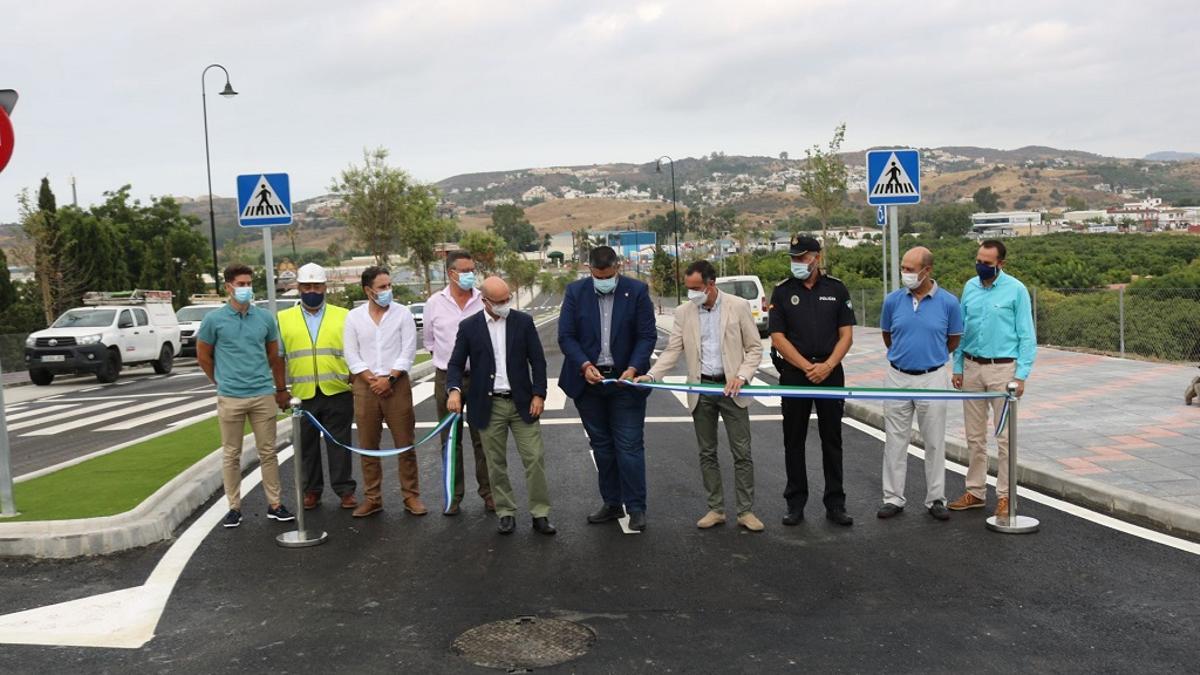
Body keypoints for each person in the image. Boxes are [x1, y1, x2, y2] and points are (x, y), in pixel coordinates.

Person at [639, 260, 765, 531]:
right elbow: (673, 350)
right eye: (688, 288)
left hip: (732, 389)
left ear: (711, 284)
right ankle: (716, 509)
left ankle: (745, 511)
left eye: (696, 288)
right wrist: (651, 376)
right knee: (707, 452)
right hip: (702, 389)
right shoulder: (684, 312)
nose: (691, 293)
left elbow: (755, 348)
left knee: (742, 452)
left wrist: (741, 376)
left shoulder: (738, 306)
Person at [558, 246, 657, 532]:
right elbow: (566, 336)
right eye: (598, 276)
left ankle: (636, 507)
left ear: (618, 267)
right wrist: (584, 364)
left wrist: (634, 367)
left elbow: (646, 335)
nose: (604, 281)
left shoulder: (636, 291)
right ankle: (612, 503)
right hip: (589, 384)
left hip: (625, 382)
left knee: (629, 446)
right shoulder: (575, 292)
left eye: (608, 276)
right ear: (589, 269)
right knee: (601, 447)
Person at [446, 276, 554, 535]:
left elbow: (538, 361)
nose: (506, 304)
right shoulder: (469, 327)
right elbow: (455, 364)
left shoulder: (523, 322)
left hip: (522, 403)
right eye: (500, 301)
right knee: (495, 462)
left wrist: (539, 394)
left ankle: (540, 513)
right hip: (488, 405)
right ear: (485, 301)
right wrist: (454, 391)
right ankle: (505, 512)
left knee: (534, 458)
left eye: (508, 299)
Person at [196, 264, 295, 529]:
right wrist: (220, 381)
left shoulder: (264, 318)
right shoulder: (214, 320)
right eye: (241, 284)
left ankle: (275, 504)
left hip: (262, 393)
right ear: (228, 286)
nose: (246, 288)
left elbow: (274, 354)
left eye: (249, 283)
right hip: (231, 396)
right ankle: (234, 507)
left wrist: (274, 384)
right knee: (231, 453)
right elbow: (203, 356)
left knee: (268, 451)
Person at [768, 235, 856, 527]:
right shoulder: (782, 291)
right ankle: (795, 503)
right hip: (796, 374)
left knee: (832, 440)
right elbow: (778, 338)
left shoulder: (836, 288)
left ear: (817, 257)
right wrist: (808, 367)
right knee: (793, 440)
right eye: (794, 257)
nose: (797, 262)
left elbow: (846, 335)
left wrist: (827, 366)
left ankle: (835, 503)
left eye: (802, 257)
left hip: (830, 373)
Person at [949, 240, 1037, 517]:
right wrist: (958, 366)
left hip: (1003, 370)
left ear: (1001, 264)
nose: (981, 266)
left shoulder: (1016, 290)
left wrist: (1021, 375)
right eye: (978, 261)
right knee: (974, 437)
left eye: (987, 263)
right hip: (972, 367)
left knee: (1005, 438)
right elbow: (961, 330)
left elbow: (1027, 336)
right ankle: (975, 491)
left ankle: (1005, 496)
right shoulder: (970, 287)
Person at [877, 247, 962, 522]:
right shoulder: (892, 301)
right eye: (903, 268)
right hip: (897, 376)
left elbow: (953, 339)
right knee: (894, 441)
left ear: (927, 271)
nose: (905, 274)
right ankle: (893, 498)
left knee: (934, 442)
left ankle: (936, 498)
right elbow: (888, 336)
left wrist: (932, 356)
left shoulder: (949, 302)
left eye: (910, 269)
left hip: (932, 377)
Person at [343, 266, 426, 518]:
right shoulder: (354, 318)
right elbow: (351, 354)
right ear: (368, 290)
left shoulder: (402, 314)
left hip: (396, 385)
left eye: (389, 285)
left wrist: (389, 379)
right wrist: (372, 380)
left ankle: (411, 496)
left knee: (405, 444)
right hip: (365, 386)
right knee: (368, 445)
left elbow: (408, 350)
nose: (387, 290)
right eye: (382, 287)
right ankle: (373, 498)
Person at [277, 263, 357, 511]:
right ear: (298, 288)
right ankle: (311, 491)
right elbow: (278, 356)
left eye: (317, 286)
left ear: (325, 287)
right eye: (307, 286)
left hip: (337, 390)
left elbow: (355, 350)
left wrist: (354, 377)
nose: (312, 291)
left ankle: (345, 490)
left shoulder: (344, 315)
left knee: (339, 444)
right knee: (306, 447)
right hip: (303, 395)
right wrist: (280, 390)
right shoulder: (283, 319)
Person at [423, 250, 493, 515]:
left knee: (483, 439)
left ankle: (489, 494)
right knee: (450, 440)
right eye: (465, 271)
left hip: (480, 378)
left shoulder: (482, 300)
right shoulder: (434, 303)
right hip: (446, 379)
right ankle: (454, 496)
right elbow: (429, 341)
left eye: (472, 270)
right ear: (451, 273)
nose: (470, 275)